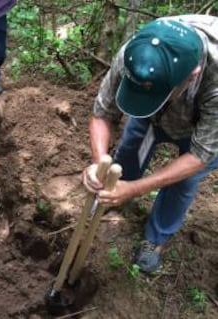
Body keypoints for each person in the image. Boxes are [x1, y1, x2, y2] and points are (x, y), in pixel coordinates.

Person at [83, 16, 218, 272]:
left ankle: (156, 238)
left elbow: (199, 155)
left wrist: (135, 188)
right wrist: (100, 162)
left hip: (207, 127)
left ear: (192, 76)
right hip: (155, 115)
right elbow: (102, 112)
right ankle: (112, 195)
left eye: (154, 93)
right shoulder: (138, 55)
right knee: (131, 149)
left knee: (184, 180)